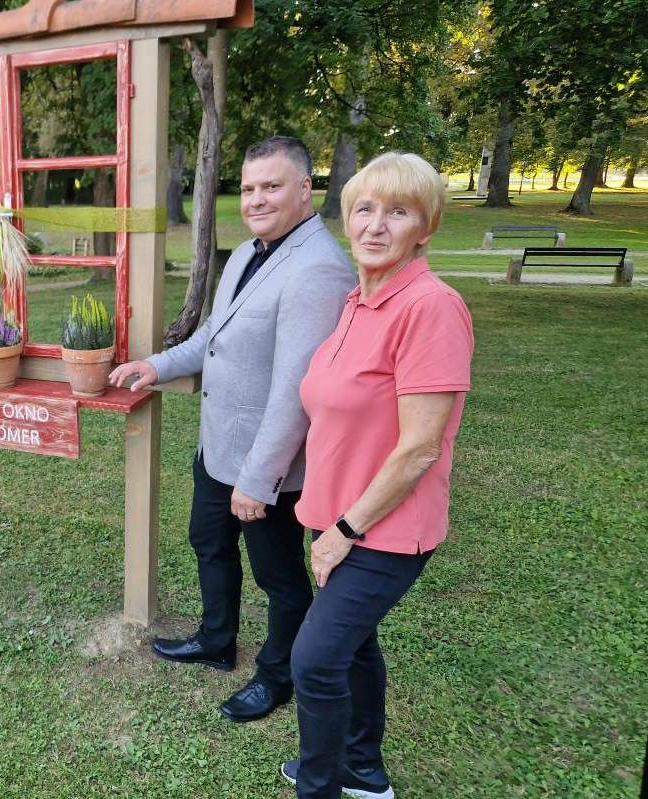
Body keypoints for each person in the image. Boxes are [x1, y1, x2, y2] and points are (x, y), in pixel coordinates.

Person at [108, 136, 356, 721]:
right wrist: (156, 365)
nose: (256, 199)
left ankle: (276, 678)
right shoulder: (250, 252)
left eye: (272, 186)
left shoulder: (319, 270)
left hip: (265, 469)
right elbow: (212, 336)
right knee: (208, 543)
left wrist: (259, 480)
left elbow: (296, 393)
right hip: (218, 448)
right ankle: (217, 640)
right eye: (248, 188)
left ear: (305, 189)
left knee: (281, 579)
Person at [279, 152, 473, 799]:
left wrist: (342, 529)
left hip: (384, 529)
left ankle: (323, 786)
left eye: (399, 211)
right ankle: (361, 769)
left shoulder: (430, 307)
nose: (376, 224)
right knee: (354, 646)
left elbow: (419, 448)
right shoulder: (358, 302)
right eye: (365, 207)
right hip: (336, 514)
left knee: (316, 657)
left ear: (426, 227)